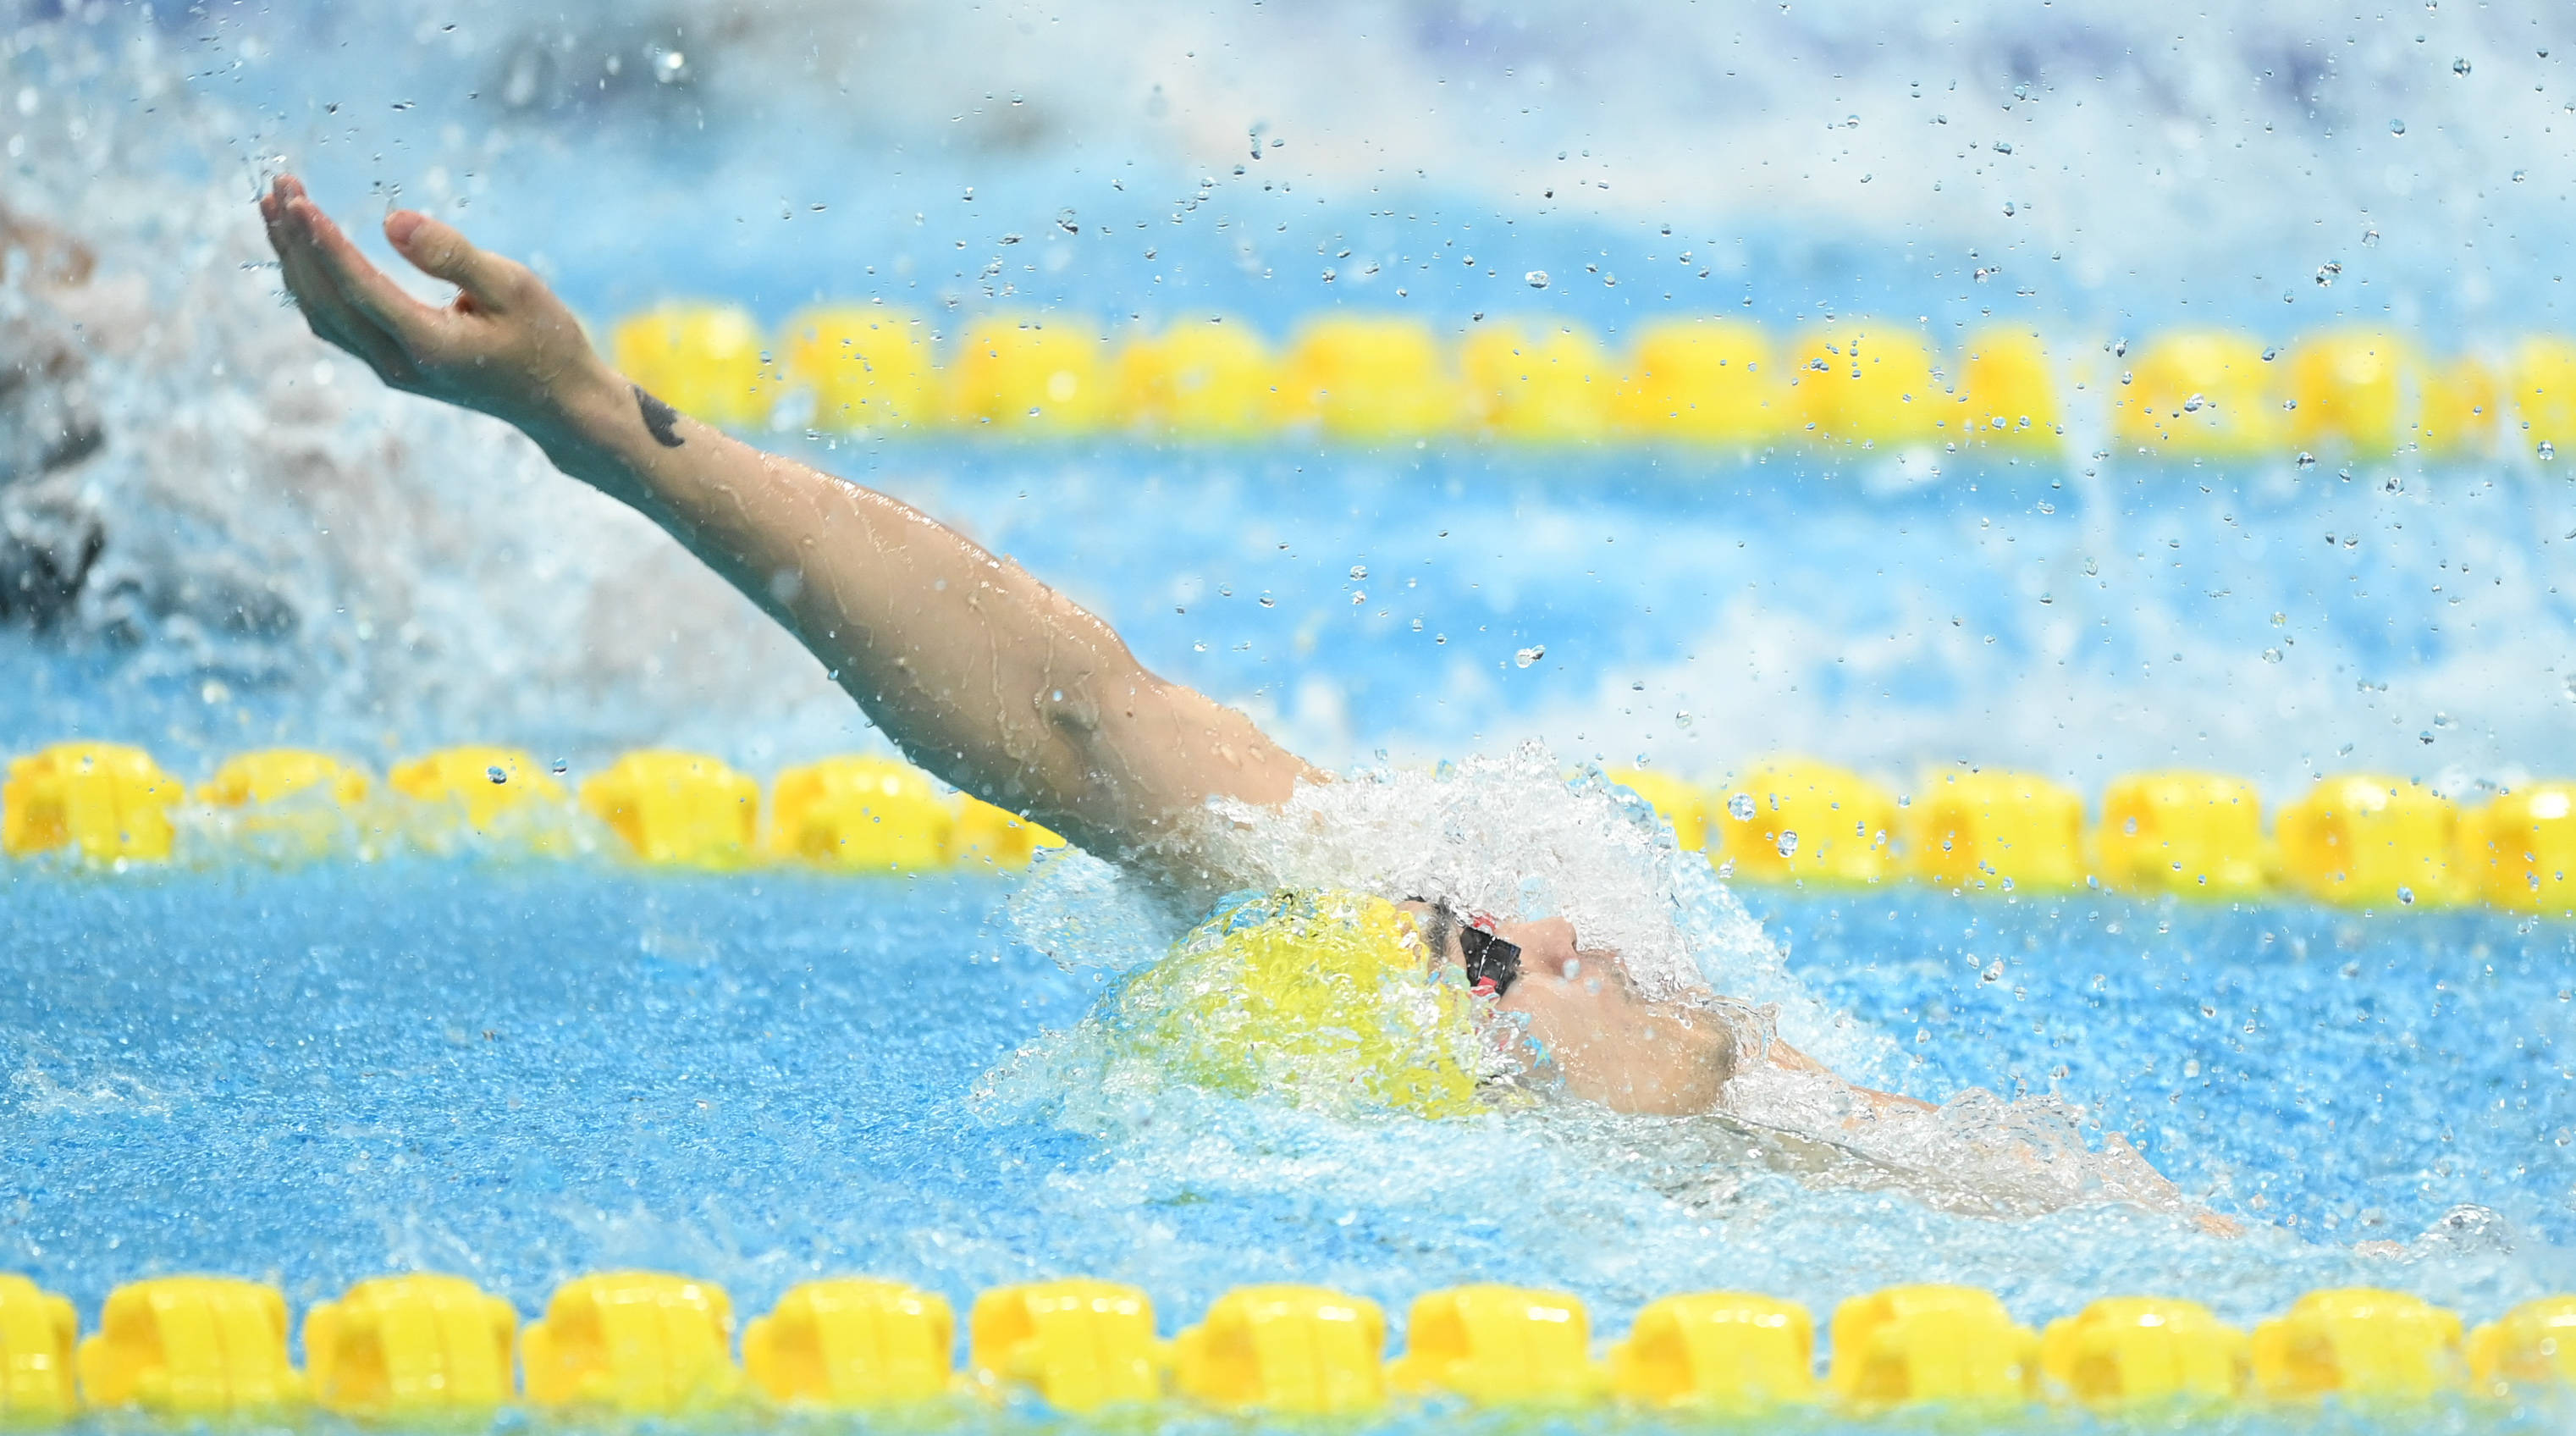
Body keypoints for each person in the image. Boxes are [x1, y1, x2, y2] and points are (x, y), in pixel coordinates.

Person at [257, 174, 1917, 1121]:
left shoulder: (1802, 1174)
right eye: (1508, 944)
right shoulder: (1415, 971)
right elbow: (1083, 710)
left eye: (1525, 963)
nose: (1547, 925)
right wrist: (592, 421)